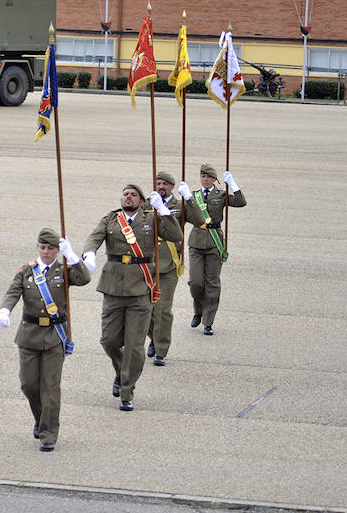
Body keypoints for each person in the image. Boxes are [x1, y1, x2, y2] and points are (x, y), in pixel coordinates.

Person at [82, 184, 183, 412]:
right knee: (108, 340)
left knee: (135, 346)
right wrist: (88, 253)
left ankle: (127, 390)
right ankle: (121, 372)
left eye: (133, 195)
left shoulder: (152, 218)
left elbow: (176, 236)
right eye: (125, 194)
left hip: (141, 288)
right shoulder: (111, 218)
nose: (128, 197)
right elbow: (94, 237)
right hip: (113, 286)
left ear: (142, 200)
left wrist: (164, 212)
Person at [0, 228, 89, 452]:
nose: (46, 252)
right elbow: (13, 292)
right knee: (29, 385)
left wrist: (73, 256)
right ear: (38, 248)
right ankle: (40, 418)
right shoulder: (27, 271)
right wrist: (4, 311)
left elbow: (84, 279)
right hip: (29, 335)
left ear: (58, 250)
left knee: (51, 388)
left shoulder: (64, 271)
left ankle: (48, 433)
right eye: (43, 247)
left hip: (54, 337)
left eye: (51, 248)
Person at [146, 171, 205, 366]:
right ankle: (153, 338)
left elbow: (198, 220)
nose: (160, 186)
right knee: (145, 309)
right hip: (146, 265)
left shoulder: (179, 206)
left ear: (172, 186)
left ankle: (161, 350)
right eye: (158, 183)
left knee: (162, 309)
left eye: (164, 183)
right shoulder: (148, 203)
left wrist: (188, 198)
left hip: (168, 265)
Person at [188, 164, 247, 335]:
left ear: (214, 179)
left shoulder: (220, 195)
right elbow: (182, 215)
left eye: (209, 177)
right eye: (202, 176)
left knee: (212, 283)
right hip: (197, 241)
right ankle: (198, 311)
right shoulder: (193, 195)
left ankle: (208, 322)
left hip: (214, 241)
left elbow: (241, 202)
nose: (205, 179)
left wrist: (234, 185)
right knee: (196, 282)